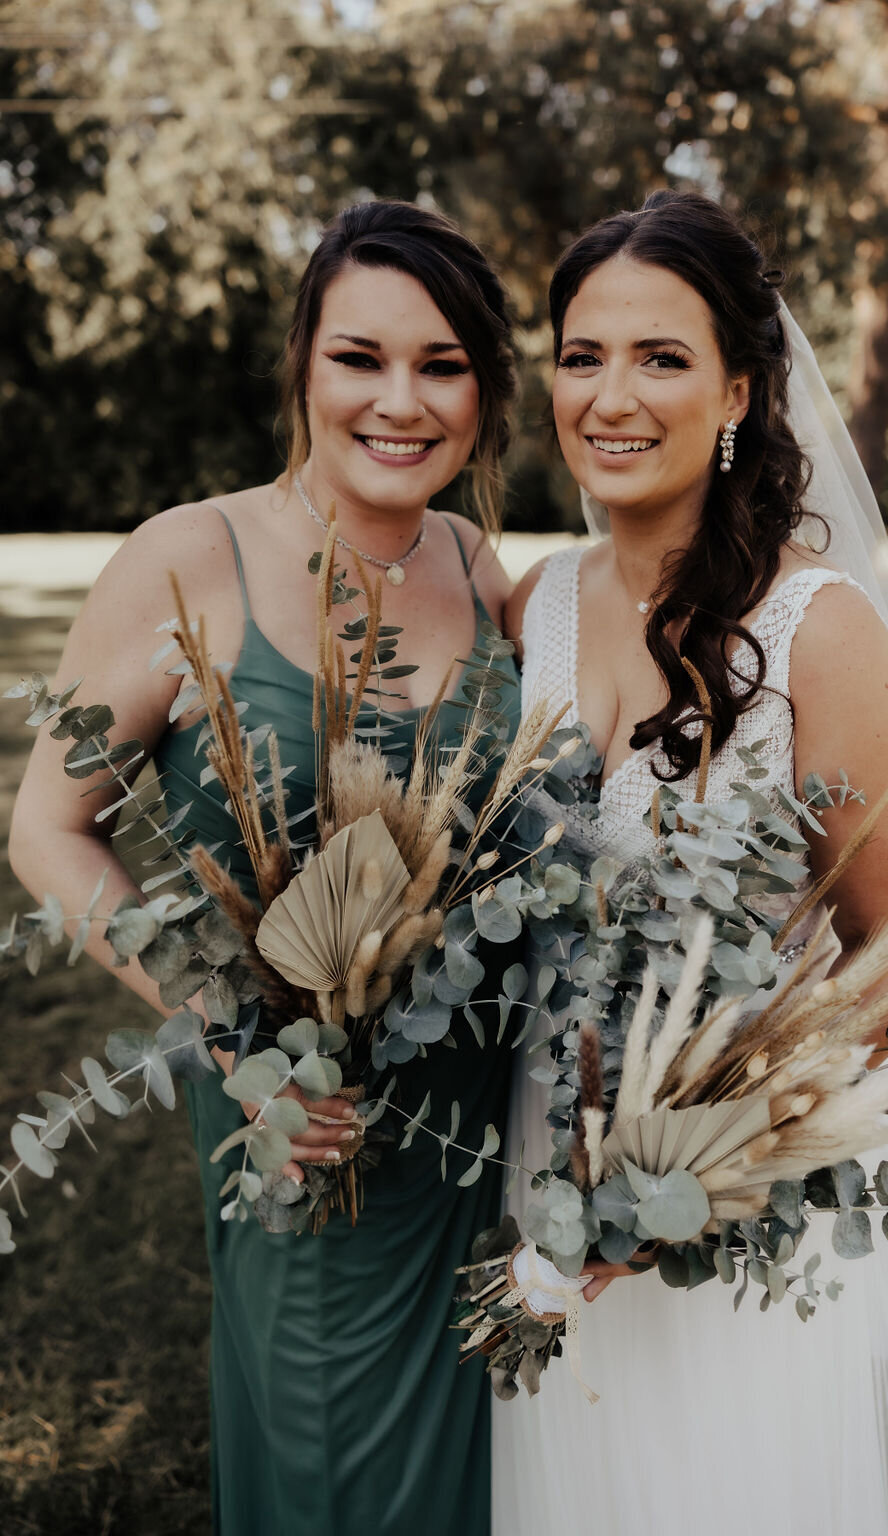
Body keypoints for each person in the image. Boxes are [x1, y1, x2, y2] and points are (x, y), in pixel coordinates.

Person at [497, 190, 888, 1535]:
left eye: (661, 358)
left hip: (754, 1195)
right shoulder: (536, 604)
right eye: (582, 354)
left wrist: (709, 1145)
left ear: (738, 390)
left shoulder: (817, 631)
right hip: (554, 1154)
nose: (612, 395)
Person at [9, 200, 520, 1536]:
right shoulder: (194, 558)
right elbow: (47, 829)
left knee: (490, 1479)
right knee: (330, 1472)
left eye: (444, 365)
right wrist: (238, 1038)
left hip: (477, 1136)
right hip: (305, 1132)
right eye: (361, 358)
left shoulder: (474, 561)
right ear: (303, 366)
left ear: (484, 389)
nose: (400, 401)